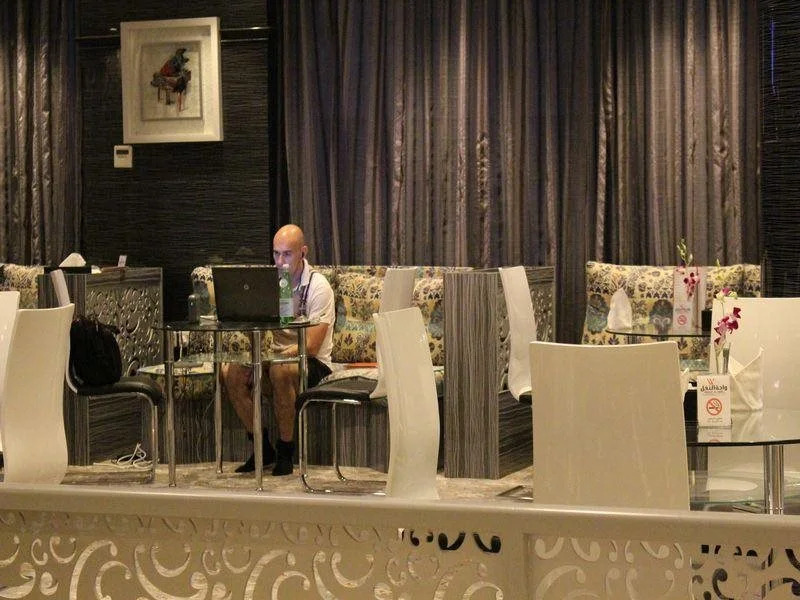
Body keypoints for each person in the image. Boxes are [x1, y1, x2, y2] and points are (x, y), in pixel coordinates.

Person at [220, 224, 334, 476]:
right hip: (276, 358)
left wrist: (272, 359)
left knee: (279, 371)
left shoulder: (318, 287)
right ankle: (261, 448)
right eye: (276, 254)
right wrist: (256, 358)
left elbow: (312, 346)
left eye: (287, 254)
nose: (280, 261)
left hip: (313, 362)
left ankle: (286, 451)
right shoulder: (272, 283)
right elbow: (258, 328)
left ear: (303, 252)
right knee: (231, 372)